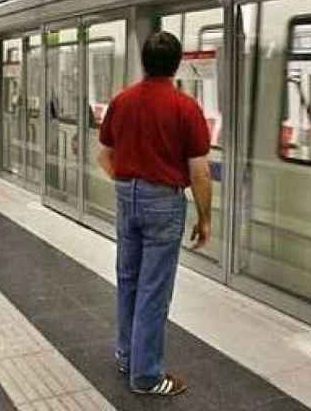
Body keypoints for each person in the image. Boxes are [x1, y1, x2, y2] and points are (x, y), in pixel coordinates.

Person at [97, 31, 212, 397]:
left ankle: (127, 354)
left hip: (126, 195)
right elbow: (200, 172)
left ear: (144, 62)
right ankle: (146, 375)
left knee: (128, 278)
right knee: (154, 289)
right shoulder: (185, 107)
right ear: (177, 64)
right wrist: (205, 217)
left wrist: (128, 183)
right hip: (163, 201)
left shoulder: (122, 101)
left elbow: (103, 155)